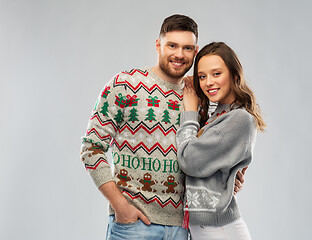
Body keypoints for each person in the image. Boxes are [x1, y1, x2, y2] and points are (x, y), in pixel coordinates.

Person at [80, 15, 245, 240]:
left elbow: (204, 154)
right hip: (134, 224)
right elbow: (91, 148)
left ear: (195, 52)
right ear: (158, 45)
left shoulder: (198, 96)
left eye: (187, 48)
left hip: (183, 228)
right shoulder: (125, 85)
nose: (179, 54)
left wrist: (230, 174)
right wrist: (120, 207)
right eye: (172, 45)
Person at [176, 42, 266, 240]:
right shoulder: (219, 114)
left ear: (234, 75)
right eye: (202, 76)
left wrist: (189, 113)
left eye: (216, 74)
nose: (208, 82)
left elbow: (189, 161)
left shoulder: (239, 119)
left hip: (221, 231)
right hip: (208, 229)